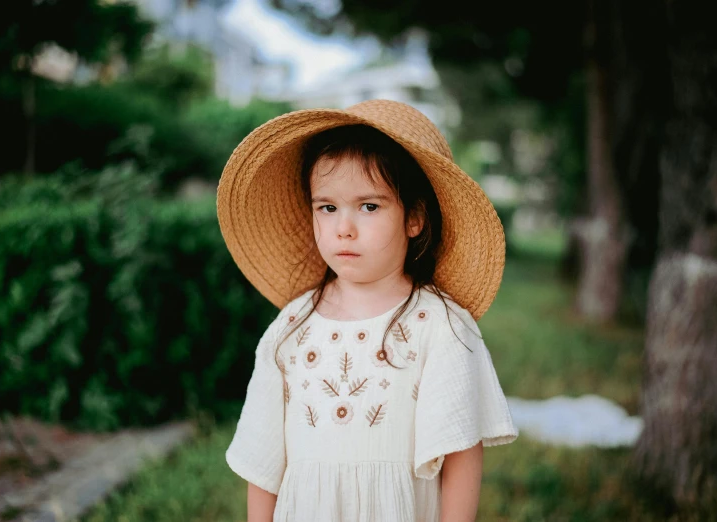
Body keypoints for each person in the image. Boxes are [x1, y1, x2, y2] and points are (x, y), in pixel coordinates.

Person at [216, 99, 518, 522]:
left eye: (369, 206)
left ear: (414, 218)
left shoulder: (440, 326)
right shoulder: (291, 327)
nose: (344, 227)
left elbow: (461, 451)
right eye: (328, 207)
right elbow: (262, 463)